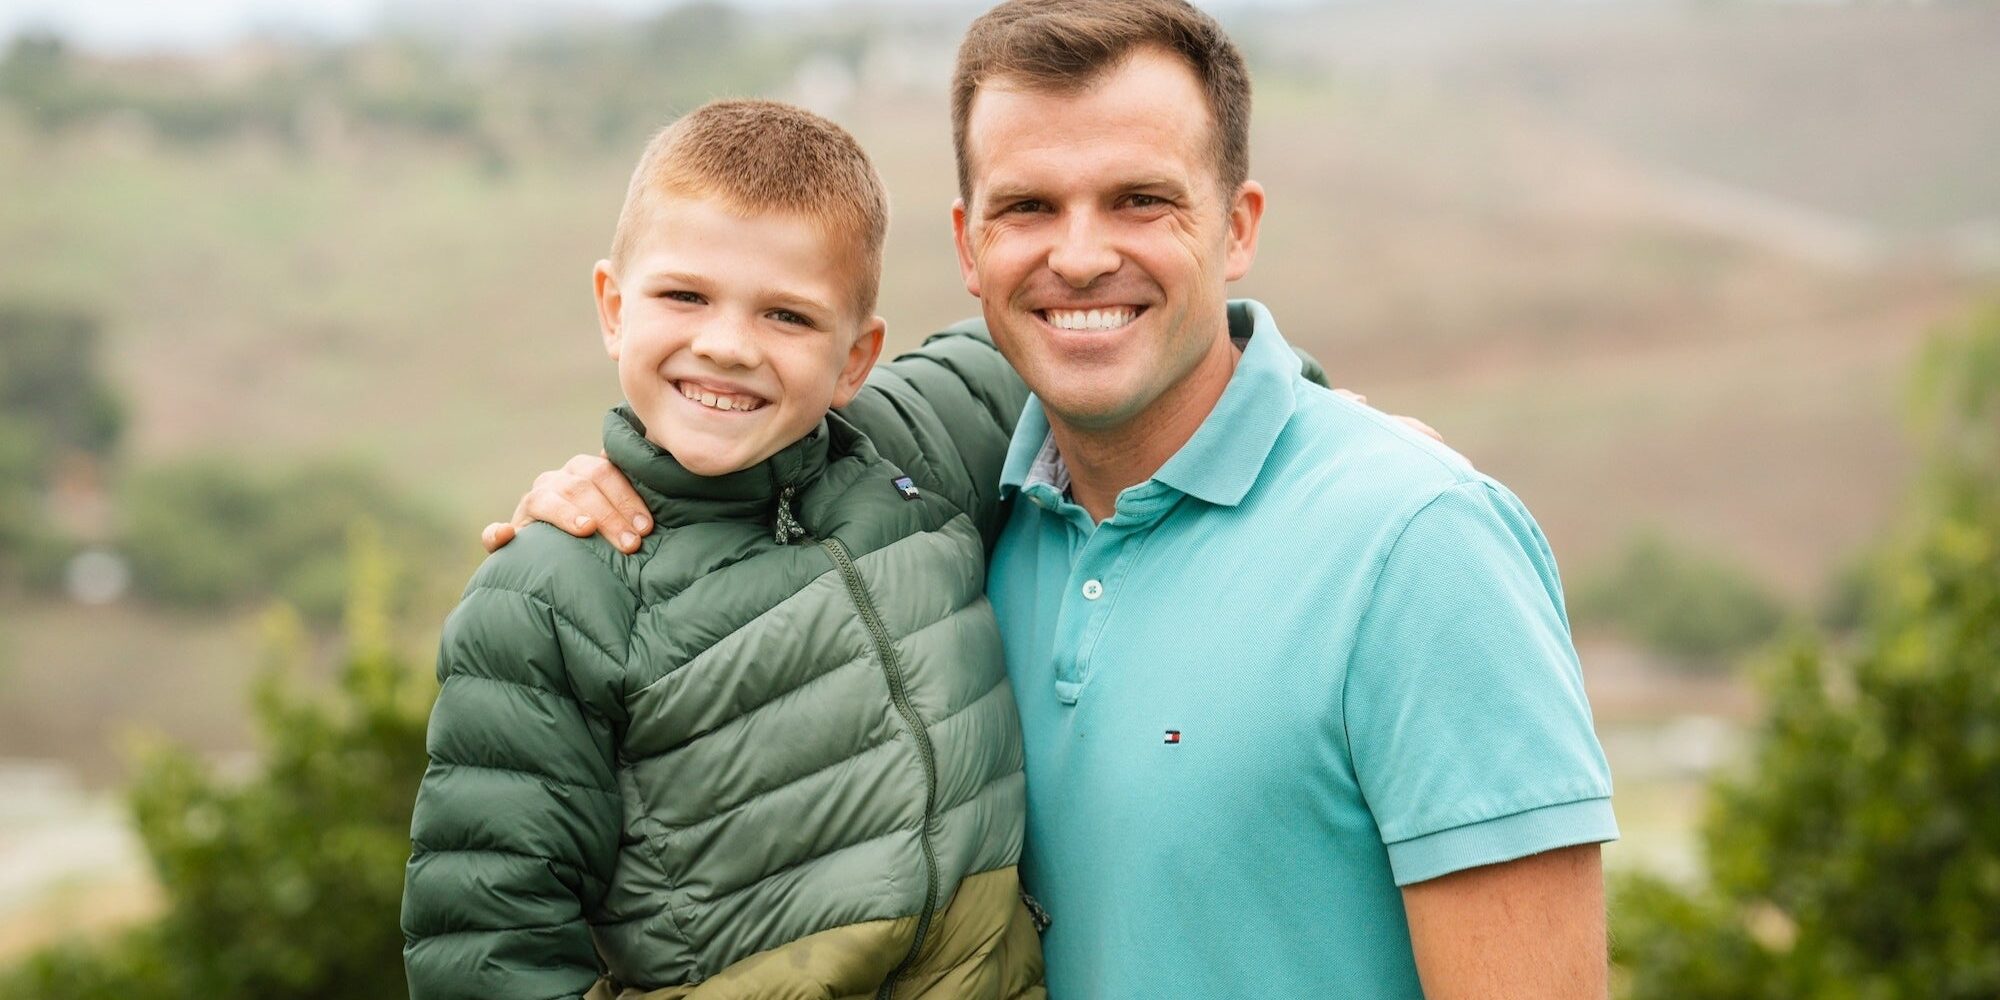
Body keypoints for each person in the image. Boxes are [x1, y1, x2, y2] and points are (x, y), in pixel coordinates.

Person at [494, 1, 1617, 996]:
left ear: (1236, 227)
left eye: (1140, 200)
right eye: (1028, 205)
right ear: (967, 244)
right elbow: (749, 451)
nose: (1078, 257)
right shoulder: (944, 513)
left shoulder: (1419, 545)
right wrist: (591, 526)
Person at [400, 99, 1050, 1000]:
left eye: (788, 316)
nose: (728, 346)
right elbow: (486, 947)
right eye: (684, 296)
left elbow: (1100, 331)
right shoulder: (549, 597)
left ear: (856, 359)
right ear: (613, 308)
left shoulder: (910, 450)